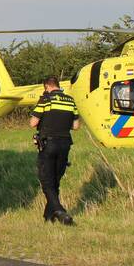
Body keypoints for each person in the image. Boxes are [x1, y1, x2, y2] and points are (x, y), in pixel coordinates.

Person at [30, 76, 80, 225]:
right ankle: (48, 216)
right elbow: (76, 126)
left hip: (49, 144)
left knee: (46, 181)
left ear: (47, 86)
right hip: (65, 144)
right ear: (58, 85)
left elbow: (33, 123)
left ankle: (60, 211)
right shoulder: (70, 101)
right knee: (55, 181)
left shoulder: (46, 100)